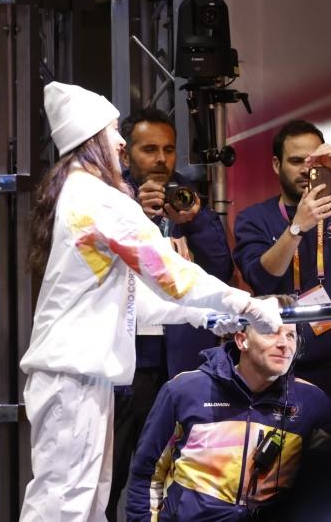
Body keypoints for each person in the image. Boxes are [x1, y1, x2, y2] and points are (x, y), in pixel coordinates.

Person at [18, 82, 281, 522]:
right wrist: (244, 305)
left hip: (79, 375)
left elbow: (135, 299)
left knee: (85, 503)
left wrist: (205, 316)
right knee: (64, 504)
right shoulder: (97, 199)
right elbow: (170, 273)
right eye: (112, 132)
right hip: (72, 374)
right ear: (90, 139)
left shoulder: (82, 194)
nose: (120, 142)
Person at [107, 108, 237, 521]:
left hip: (184, 361)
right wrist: (136, 214)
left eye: (168, 149)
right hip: (130, 364)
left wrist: (195, 221)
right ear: (126, 154)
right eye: (149, 150)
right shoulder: (109, 199)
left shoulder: (187, 197)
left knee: (186, 478)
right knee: (112, 476)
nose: (161, 159)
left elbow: (221, 270)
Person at [125, 295, 331, 521]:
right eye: (271, 332)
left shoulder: (313, 404)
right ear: (241, 340)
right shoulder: (184, 391)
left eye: (291, 335)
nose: (284, 344)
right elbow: (146, 475)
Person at [233, 120, 331, 389]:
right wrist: (297, 227)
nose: (306, 169)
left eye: (314, 161)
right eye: (296, 161)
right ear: (277, 165)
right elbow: (261, 278)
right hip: (280, 364)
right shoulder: (254, 218)